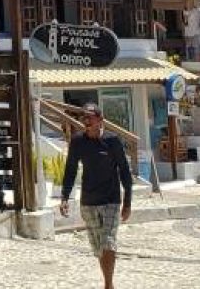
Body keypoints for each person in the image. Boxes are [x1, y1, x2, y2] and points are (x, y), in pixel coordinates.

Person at [59, 103, 132, 289]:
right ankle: (108, 282)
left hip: (111, 200)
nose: (86, 121)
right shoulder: (77, 141)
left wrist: (128, 203)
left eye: (90, 117)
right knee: (99, 247)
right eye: (84, 117)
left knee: (108, 241)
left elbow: (124, 171)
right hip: (88, 202)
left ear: (100, 121)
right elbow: (70, 170)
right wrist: (65, 197)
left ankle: (108, 285)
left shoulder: (113, 141)